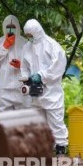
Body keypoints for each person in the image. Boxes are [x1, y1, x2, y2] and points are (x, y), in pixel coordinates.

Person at [21, 19, 69, 155]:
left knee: (56, 121)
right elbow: (24, 66)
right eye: (27, 35)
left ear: (37, 31)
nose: (29, 38)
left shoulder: (52, 46)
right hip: (36, 93)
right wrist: (27, 79)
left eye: (31, 35)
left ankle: (61, 149)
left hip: (51, 92)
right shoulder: (26, 47)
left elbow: (58, 67)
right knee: (38, 123)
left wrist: (41, 76)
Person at [0, 15, 28, 111]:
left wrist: (21, 65)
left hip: (21, 89)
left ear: (18, 27)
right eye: (8, 27)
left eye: (13, 27)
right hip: (4, 89)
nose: (10, 30)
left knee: (23, 120)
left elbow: (34, 65)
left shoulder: (26, 44)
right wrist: (5, 46)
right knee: (3, 120)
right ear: (4, 27)